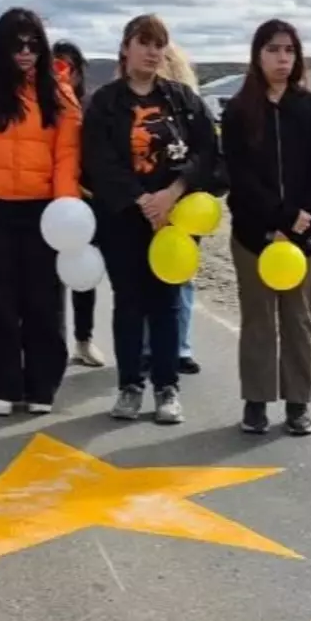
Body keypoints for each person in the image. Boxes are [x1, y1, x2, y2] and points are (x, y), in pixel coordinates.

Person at [82, 14, 220, 424]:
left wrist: (172, 193)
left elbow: (207, 152)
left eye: (159, 44)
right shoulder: (105, 103)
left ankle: (166, 388)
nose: (152, 51)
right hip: (124, 218)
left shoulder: (182, 100)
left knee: (167, 303)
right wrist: (143, 200)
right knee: (129, 303)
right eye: (144, 42)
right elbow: (99, 161)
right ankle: (129, 386)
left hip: (175, 220)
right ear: (126, 47)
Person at [0, 7, 82, 417]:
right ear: (0, 47)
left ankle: (42, 384)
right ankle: (4, 384)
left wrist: (64, 211)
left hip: (43, 213)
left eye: (33, 44)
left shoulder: (59, 93)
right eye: (16, 44)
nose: (25, 52)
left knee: (43, 303)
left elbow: (67, 157)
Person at [219, 19, 311, 436]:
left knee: (298, 319)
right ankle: (256, 402)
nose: (282, 58)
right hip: (254, 234)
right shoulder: (238, 111)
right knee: (258, 320)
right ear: (257, 55)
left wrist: (300, 218)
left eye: (289, 50)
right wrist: (278, 219)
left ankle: (298, 403)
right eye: (272, 49)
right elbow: (241, 176)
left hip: (305, 235)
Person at [140, 42, 204, 376]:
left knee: (182, 274)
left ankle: (178, 346)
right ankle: (151, 347)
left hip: (185, 205)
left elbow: (206, 156)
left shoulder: (189, 108)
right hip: (148, 203)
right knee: (150, 274)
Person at [51, 40, 107, 369]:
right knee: (48, 280)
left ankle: (83, 341)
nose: (62, 72)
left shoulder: (90, 106)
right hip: (47, 204)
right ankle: (50, 345)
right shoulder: (39, 106)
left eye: (67, 66)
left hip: (85, 204)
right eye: (55, 65)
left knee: (84, 273)